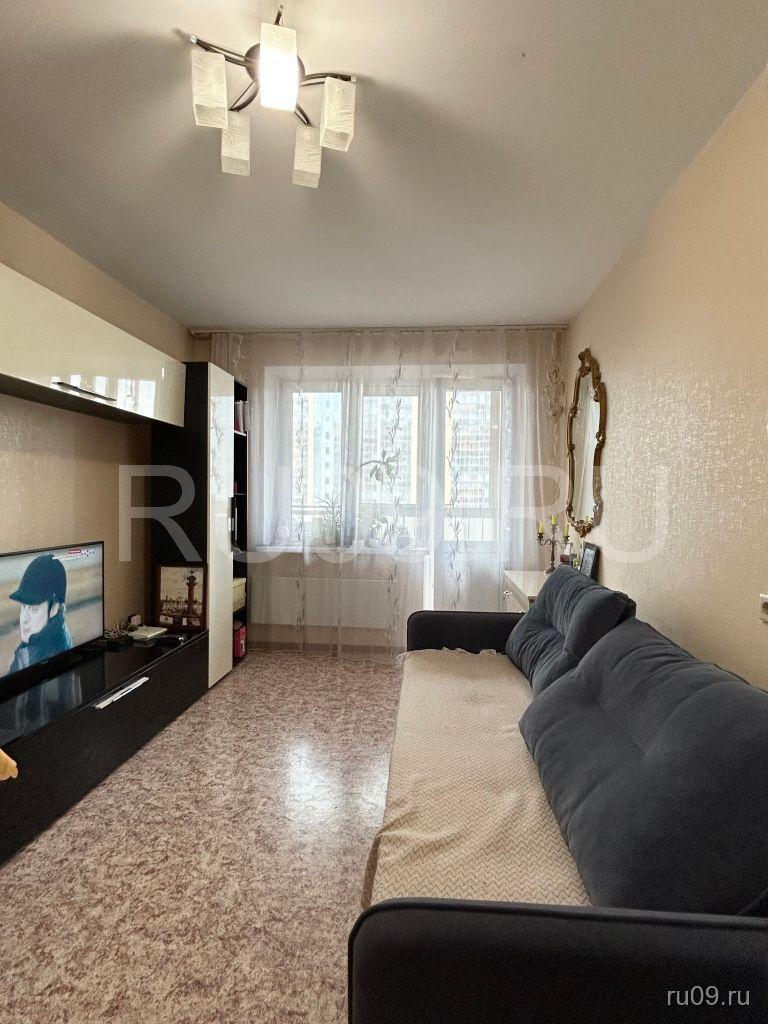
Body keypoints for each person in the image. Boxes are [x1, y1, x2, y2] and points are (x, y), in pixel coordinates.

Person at [8, 553, 72, 675]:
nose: (24, 619)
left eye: (34, 609)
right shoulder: (29, 653)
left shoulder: (52, 661)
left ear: (54, 609)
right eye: (23, 606)